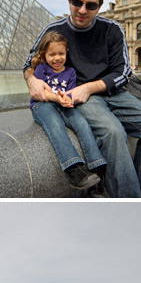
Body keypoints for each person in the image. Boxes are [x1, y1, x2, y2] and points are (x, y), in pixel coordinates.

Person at [23, 0, 141, 198]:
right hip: (83, 97)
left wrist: (90, 87)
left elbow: (123, 71)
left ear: (100, 6)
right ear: (69, 0)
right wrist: (32, 80)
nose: (82, 10)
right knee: (113, 133)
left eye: (90, 5)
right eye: (77, 3)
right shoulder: (54, 29)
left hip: (111, 92)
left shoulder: (112, 29)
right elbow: (28, 64)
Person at [29, 31, 106, 192]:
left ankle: (97, 165)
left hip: (62, 104)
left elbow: (69, 92)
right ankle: (74, 170)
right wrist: (58, 98)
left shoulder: (70, 72)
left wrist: (68, 99)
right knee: (56, 125)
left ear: (66, 53)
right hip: (42, 105)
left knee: (82, 124)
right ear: (44, 55)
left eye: (61, 53)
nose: (57, 58)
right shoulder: (42, 69)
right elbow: (42, 94)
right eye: (52, 54)